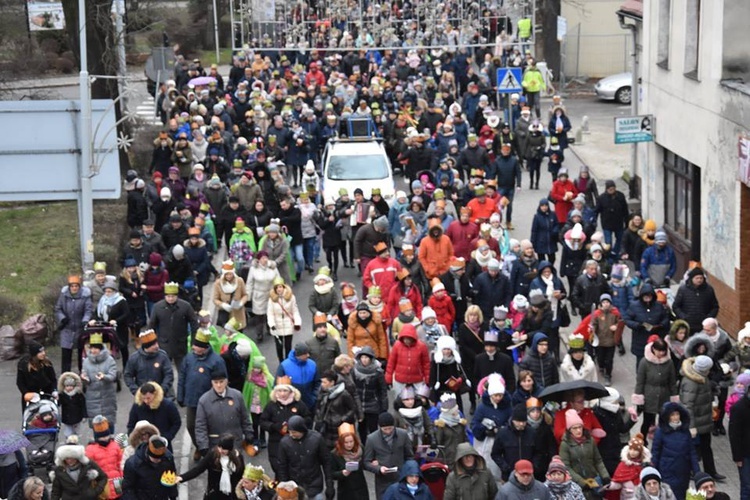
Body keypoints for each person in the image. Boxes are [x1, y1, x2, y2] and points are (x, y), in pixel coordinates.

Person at [177, 329, 227, 461]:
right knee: (191, 426)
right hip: (192, 400)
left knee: (210, 427)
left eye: (196, 345)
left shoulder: (216, 361)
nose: (193, 347)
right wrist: (180, 395)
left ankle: (210, 451)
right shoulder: (189, 358)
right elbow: (182, 376)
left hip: (209, 401)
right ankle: (199, 447)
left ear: (204, 348)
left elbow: (222, 382)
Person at [678, 354, 723, 481]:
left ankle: (711, 471)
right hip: (695, 422)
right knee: (693, 449)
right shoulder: (691, 382)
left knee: (706, 447)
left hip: (703, 419)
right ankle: (693, 471)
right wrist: (691, 426)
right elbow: (688, 405)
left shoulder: (700, 377)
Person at [631, 336, 677, 443]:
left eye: (663, 351)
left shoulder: (669, 363)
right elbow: (640, 382)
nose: (661, 353)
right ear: (653, 349)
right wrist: (639, 400)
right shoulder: (644, 362)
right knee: (647, 421)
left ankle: (663, 440)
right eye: (659, 350)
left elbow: (672, 382)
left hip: (664, 397)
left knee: (664, 421)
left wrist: (674, 399)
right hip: (649, 397)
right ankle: (642, 441)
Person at [278, 415, 334, 500]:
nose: (291, 435)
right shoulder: (285, 443)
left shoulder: (316, 439)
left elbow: (326, 462)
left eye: (294, 432)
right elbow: (282, 466)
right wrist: (285, 485)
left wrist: (330, 485)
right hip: (295, 488)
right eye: (289, 432)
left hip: (314, 485)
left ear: (301, 429)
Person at [652, 402, 701, 499]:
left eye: (677, 414)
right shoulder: (660, 431)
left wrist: (697, 472)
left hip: (683, 471)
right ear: (667, 416)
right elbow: (655, 453)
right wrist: (654, 473)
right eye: (672, 415)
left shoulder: (685, 430)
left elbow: (692, 452)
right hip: (667, 471)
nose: (675, 417)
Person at [148, 281, 199, 370]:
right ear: (165, 296)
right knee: (163, 370)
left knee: (183, 370)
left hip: (180, 344)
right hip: (163, 344)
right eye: (168, 296)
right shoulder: (157, 307)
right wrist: (152, 342)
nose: (170, 299)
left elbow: (194, 324)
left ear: (177, 296)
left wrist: (193, 342)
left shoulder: (185, 306)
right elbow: (151, 326)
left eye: (173, 296)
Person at [559, 410, 610, 497]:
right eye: (574, 428)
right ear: (569, 430)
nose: (578, 430)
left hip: (593, 481)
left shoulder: (590, 440)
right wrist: (582, 482)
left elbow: (598, 460)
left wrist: (605, 476)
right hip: (576, 485)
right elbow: (566, 467)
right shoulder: (565, 444)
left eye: (580, 427)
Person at [364, 412, 415, 500]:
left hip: (400, 478)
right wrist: (379, 469)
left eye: (390, 428)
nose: (388, 431)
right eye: (385, 429)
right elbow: (366, 462)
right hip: (383, 481)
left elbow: (409, 456)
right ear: (380, 427)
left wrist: (408, 472)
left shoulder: (402, 435)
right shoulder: (372, 439)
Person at [178, 434, 245, 500]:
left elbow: (241, 475)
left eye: (224, 449)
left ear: (229, 449)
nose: (220, 450)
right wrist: (182, 478)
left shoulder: (238, 458)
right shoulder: (212, 455)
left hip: (232, 494)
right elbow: (198, 469)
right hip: (214, 494)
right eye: (219, 447)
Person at [54, 274, 93, 373]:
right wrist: (62, 318)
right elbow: (58, 308)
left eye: (76, 286)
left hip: (80, 328)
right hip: (67, 328)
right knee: (66, 353)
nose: (74, 288)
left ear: (79, 287)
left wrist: (85, 320)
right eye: (72, 286)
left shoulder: (85, 297)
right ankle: (65, 374)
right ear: (69, 287)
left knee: (81, 353)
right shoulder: (64, 296)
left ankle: (82, 373)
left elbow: (88, 310)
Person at [624, 284, 670, 367]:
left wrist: (661, 325)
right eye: (645, 295)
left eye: (649, 295)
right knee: (641, 364)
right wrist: (637, 325)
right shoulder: (634, 306)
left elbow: (665, 317)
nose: (647, 297)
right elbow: (627, 319)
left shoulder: (658, 306)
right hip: (640, 339)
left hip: (656, 339)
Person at [122, 435, 179, 499]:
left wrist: (173, 496)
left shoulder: (168, 458)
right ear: (148, 454)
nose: (158, 461)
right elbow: (128, 488)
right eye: (155, 459)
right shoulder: (133, 464)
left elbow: (171, 477)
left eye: (160, 458)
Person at [50, 435, 107, 500]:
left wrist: (95, 492)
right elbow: (56, 492)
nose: (69, 461)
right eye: (67, 458)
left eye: (72, 458)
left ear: (78, 457)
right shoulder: (59, 470)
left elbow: (103, 477)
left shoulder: (88, 465)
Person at [81, 332, 118, 429]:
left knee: (109, 421)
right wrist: (85, 379)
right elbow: (85, 376)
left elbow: (113, 375)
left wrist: (104, 377)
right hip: (92, 396)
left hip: (107, 394)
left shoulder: (109, 360)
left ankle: (111, 440)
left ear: (101, 348)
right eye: (91, 348)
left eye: (96, 348)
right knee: (96, 423)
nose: (93, 350)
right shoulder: (86, 361)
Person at [126, 382, 181, 448]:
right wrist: (135, 440)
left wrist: (168, 436)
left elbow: (176, 422)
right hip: (143, 445)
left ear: (155, 394)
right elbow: (131, 425)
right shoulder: (137, 406)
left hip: (162, 443)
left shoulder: (167, 405)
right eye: (144, 398)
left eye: (148, 398)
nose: (146, 401)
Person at [92, 277, 131, 368]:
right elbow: (97, 312)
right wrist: (94, 319)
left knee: (123, 347)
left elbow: (126, 314)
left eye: (109, 291)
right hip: (106, 328)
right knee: (107, 348)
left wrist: (116, 320)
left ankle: (126, 367)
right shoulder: (103, 300)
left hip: (119, 328)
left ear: (114, 291)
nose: (107, 293)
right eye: (106, 291)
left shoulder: (121, 301)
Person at [492, 404, 537, 482]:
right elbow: (495, 454)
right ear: (513, 420)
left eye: (523, 421)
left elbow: (538, 452)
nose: (521, 424)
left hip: (528, 475)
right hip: (509, 475)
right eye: (518, 421)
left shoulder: (532, 433)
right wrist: (505, 467)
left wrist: (534, 466)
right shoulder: (503, 433)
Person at [313, 370, 357, 449]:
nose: (322, 385)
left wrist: (343, 419)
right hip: (326, 426)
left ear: (332, 382)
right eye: (322, 382)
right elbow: (318, 406)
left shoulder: (344, 394)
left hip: (339, 426)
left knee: (339, 448)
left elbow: (352, 408)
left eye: (324, 382)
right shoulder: (322, 392)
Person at [123, 329, 174, 396]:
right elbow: (128, 375)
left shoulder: (162, 356)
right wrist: (136, 391)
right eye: (153, 345)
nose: (157, 346)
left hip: (162, 396)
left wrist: (162, 389)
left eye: (156, 343)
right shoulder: (134, 358)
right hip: (143, 397)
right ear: (146, 347)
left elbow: (169, 374)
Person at [385, 324, 431, 397]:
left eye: (409, 338)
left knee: (420, 400)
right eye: (405, 338)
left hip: (417, 379)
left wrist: (427, 379)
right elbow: (391, 363)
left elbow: (426, 364)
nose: (407, 341)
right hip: (400, 380)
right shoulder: (397, 346)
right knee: (400, 400)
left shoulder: (422, 347)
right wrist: (388, 379)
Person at [84, 416, 123, 500]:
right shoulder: (90, 449)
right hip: (102, 483)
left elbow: (120, 462)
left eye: (106, 436)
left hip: (117, 480)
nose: (105, 439)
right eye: (102, 437)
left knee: (119, 496)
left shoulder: (115, 446)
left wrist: (122, 475)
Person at [672, 267, 720, 334]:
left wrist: (708, 318)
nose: (699, 280)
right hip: (688, 325)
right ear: (692, 279)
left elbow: (715, 307)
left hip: (703, 326)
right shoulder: (683, 290)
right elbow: (676, 306)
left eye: (701, 278)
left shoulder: (709, 290)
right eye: (697, 278)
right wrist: (683, 317)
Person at [267, 277, 302, 363]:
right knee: (279, 346)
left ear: (284, 287)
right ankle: (281, 362)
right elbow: (270, 313)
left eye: (280, 287)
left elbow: (295, 311)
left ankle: (288, 362)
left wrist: (297, 322)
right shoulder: (272, 299)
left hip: (288, 324)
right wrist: (272, 324)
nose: (279, 289)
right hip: (277, 325)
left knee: (288, 346)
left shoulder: (291, 297)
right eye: (277, 287)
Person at [331, 423, 369, 499]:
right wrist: (342, 473)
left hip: (360, 487)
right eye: (346, 442)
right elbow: (331, 473)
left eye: (351, 441)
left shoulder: (360, 449)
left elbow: (365, 463)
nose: (349, 445)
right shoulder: (335, 454)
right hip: (345, 490)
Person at [16, 341, 56, 410]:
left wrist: (54, 390)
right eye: (40, 352)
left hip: (46, 395)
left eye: (43, 351)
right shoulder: (24, 366)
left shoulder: (47, 364)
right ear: (34, 354)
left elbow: (53, 379)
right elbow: (20, 382)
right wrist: (26, 393)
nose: (43, 353)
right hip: (31, 396)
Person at [595, 180, 629, 256]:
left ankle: (615, 253)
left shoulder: (620, 196)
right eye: (610, 189)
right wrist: (594, 221)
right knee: (608, 242)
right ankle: (609, 256)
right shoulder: (601, 198)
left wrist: (627, 221)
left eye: (613, 189)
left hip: (618, 223)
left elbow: (625, 210)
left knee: (620, 240)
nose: (612, 191)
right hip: (607, 224)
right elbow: (597, 210)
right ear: (606, 189)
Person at [212, 260, 249, 330]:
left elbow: (245, 295)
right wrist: (223, 305)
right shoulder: (218, 283)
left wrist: (241, 303)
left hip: (238, 314)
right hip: (226, 315)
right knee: (229, 336)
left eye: (230, 274)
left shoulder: (239, 281)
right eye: (227, 274)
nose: (229, 276)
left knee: (239, 334)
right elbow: (215, 299)